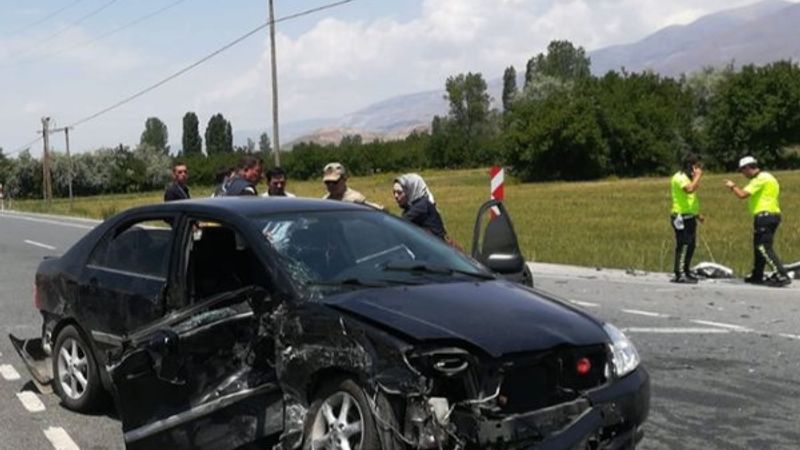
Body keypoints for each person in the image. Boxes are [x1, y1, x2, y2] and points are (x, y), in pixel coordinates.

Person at [724, 156, 791, 287]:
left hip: (765, 216)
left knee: (763, 247)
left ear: (748, 167)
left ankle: (781, 274)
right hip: (771, 214)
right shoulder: (769, 177)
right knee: (758, 246)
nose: (743, 174)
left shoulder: (760, 179)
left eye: (743, 170)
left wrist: (733, 186)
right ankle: (757, 274)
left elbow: (742, 194)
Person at [669, 154, 703, 283]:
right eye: (697, 166)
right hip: (680, 216)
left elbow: (689, 199)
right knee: (683, 245)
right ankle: (680, 272)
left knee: (691, 245)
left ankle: (686, 269)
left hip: (689, 216)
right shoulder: (680, 177)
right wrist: (698, 177)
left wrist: (697, 214)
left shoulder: (688, 178)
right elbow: (689, 190)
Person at [393, 173, 447, 240]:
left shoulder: (421, 206)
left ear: (411, 190)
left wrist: (382, 214)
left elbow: (397, 225)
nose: (396, 196)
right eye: (394, 192)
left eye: (399, 192)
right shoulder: (414, 205)